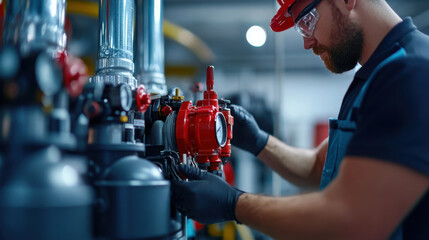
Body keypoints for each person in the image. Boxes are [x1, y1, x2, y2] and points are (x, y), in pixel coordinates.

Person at [172, 0, 429, 239]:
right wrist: (258, 141)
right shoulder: (375, 76)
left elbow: (349, 218)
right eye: (300, 30)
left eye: (307, 21)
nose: (307, 43)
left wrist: (233, 204)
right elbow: (320, 167)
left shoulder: (412, 71)